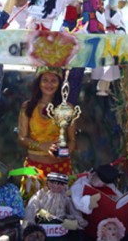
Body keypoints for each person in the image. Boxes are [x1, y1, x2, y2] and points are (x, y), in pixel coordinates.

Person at [18, 67, 76, 202]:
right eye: (45, 80)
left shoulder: (67, 108)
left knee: (59, 213)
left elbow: (72, 140)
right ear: (39, 83)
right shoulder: (28, 107)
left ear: (60, 84)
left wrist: (65, 151)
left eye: (53, 80)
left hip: (60, 169)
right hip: (35, 171)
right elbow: (21, 138)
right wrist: (41, 146)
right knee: (33, 214)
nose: (49, 84)